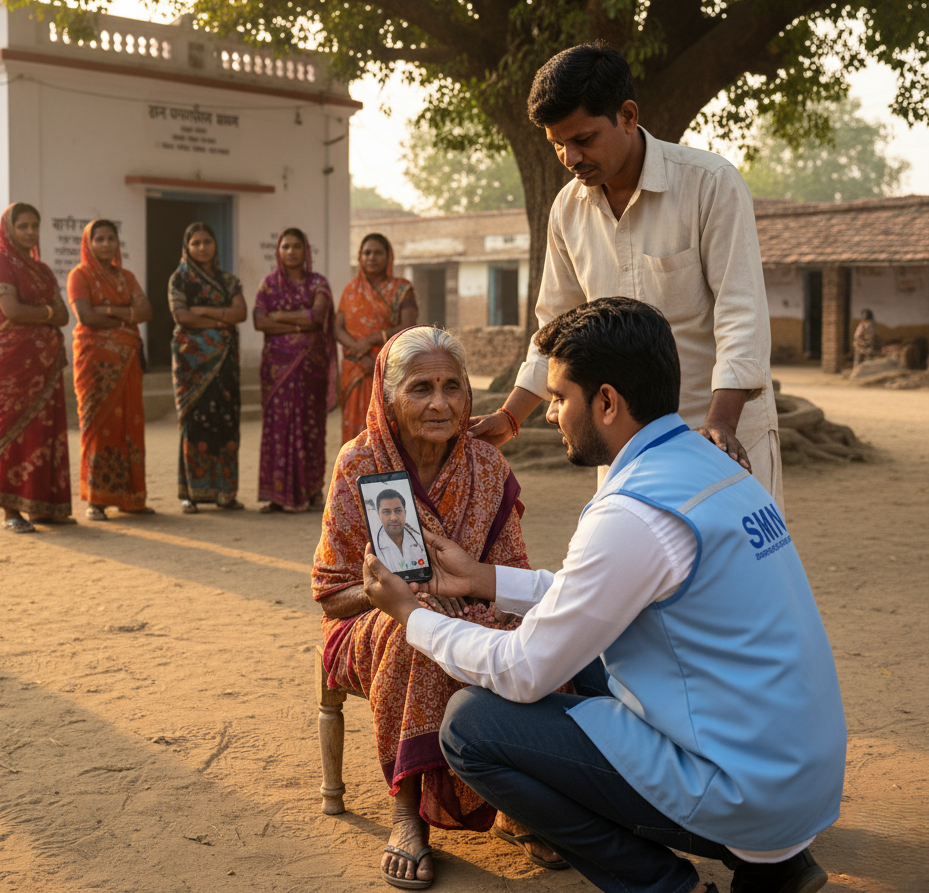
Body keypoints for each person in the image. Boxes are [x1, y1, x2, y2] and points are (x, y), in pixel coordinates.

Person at [363, 297, 846, 893]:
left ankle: (667, 886)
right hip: (799, 776)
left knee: (472, 727)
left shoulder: (633, 512)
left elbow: (523, 673)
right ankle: (780, 865)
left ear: (608, 402)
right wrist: (482, 578)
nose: (549, 415)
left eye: (560, 398)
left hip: (746, 792)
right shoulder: (709, 466)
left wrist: (412, 616)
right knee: (586, 651)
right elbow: (588, 597)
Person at [470, 44, 782, 507]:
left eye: (584, 139)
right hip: (622, 443)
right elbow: (556, 329)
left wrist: (721, 424)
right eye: (558, 145)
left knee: (733, 571)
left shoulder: (709, 184)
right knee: (636, 574)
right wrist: (511, 416)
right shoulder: (567, 210)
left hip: (719, 433)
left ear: (628, 115)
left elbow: (742, 314)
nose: (571, 157)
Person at [313, 326, 553, 891]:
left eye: (453, 386)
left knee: (534, 629)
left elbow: (512, 579)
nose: (441, 403)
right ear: (389, 398)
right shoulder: (360, 464)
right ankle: (407, 811)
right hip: (370, 623)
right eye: (421, 388)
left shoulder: (486, 468)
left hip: (473, 609)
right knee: (414, 634)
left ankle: (516, 798)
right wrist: (393, 597)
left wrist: (462, 587)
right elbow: (330, 593)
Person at [0, 203, 73, 532]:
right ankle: (11, 512)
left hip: (46, 367)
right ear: (9, 229)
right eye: (23, 226)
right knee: (15, 432)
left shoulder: (43, 270)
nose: (30, 232)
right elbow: (12, 311)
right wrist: (47, 313)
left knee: (46, 432)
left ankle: (44, 507)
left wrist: (44, 314)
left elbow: (64, 316)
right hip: (12, 365)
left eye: (34, 226)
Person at [67, 219, 154, 521]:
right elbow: (86, 316)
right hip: (95, 365)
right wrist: (126, 318)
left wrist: (111, 312)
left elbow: (146, 311)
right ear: (88, 244)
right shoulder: (79, 276)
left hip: (128, 364)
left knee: (130, 426)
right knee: (98, 428)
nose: (105, 244)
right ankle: (97, 500)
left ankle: (131, 498)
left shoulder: (126, 277)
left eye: (110, 239)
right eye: (99, 239)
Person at [254, 227, 337, 512]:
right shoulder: (268, 284)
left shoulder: (318, 283)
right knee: (278, 426)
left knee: (308, 427)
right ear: (278, 251)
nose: (290, 252)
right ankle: (278, 495)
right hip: (276, 370)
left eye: (296, 246)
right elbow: (260, 321)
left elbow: (317, 317)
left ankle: (310, 490)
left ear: (306, 250)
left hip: (309, 370)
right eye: (285, 246)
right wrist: (299, 323)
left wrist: (281, 318)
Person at [168, 222, 248, 513]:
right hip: (192, 367)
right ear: (187, 248)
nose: (202, 248)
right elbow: (181, 316)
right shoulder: (179, 279)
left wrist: (202, 311)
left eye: (207, 242)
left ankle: (225, 493)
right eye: (195, 243)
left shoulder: (229, 281)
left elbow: (241, 312)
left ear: (215, 245)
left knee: (226, 424)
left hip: (225, 365)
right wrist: (219, 321)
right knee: (195, 424)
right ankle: (191, 493)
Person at [335, 233, 418, 444]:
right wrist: (356, 349)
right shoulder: (351, 291)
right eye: (367, 253)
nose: (372, 257)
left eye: (378, 252)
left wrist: (372, 339)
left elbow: (408, 325)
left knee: (387, 432)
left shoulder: (402, 289)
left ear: (388, 256)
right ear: (360, 257)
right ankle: (353, 475)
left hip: (387, 368)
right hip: (355, 368)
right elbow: (337, 327)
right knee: (355, 434)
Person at [370, 488, 425, 571]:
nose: (394, 518)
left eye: (398, 511)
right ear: (378, 515)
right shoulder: (374, 549)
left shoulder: (420, 541)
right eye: (386, 512)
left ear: (405, 513)